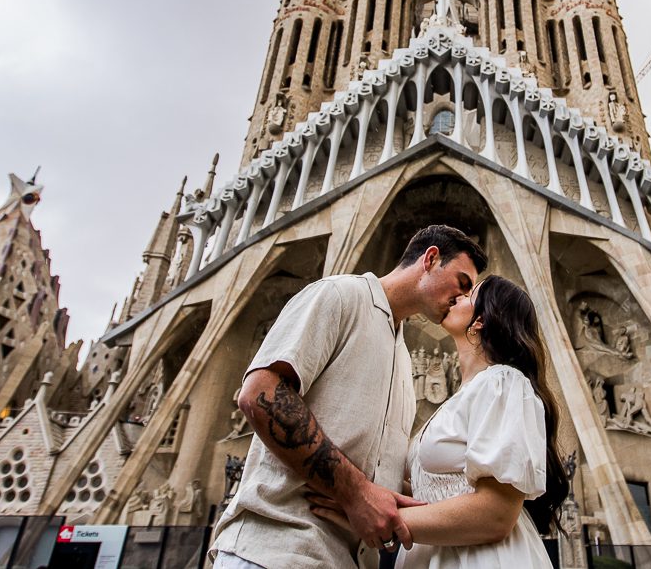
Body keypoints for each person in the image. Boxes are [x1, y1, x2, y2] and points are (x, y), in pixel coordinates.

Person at [211, 225, 488, 569]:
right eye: (461, 284)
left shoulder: (402, 357)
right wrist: (356, 493)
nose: (462, 300)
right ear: (430, 259)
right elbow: (261, 393)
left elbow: (382, 467)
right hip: (279, 550)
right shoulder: (340, 296)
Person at [311, 275, 570, 568]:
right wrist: (359, 497)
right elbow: (436, 491)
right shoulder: (461, 399)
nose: (457, 296)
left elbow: (496, 515)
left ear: (481, 320)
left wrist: (381, 518)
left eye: (468, 294)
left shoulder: (503, 382)